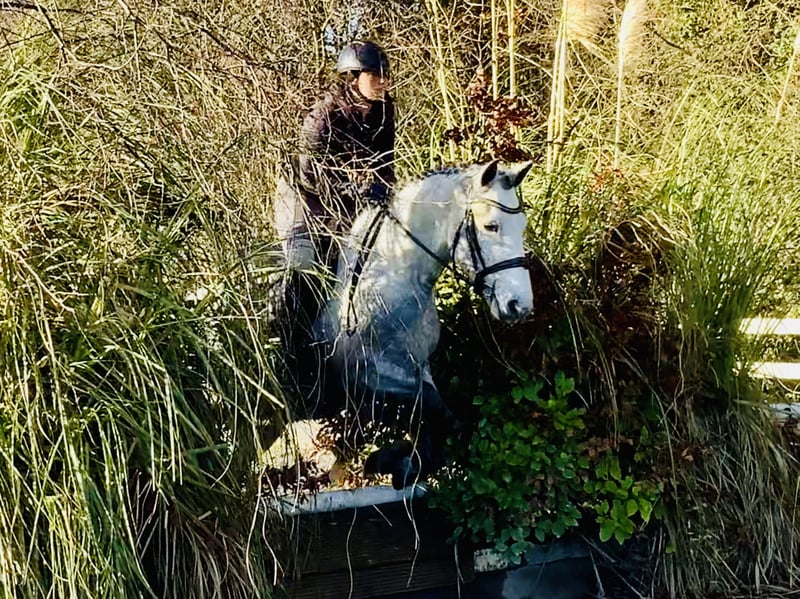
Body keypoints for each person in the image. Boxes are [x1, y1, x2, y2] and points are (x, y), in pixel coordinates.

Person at [279, 40, 396, 408]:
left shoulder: (384, 110)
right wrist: (356, 187)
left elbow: (386, 161)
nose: (384, 82)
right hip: (305, 200)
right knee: (304, 265)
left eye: (385, 75)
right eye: (376, 75)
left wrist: (385, 190)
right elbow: (311, 178)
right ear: (353, 77)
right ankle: (293, 354)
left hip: (352, 199)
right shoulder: (322, 116)